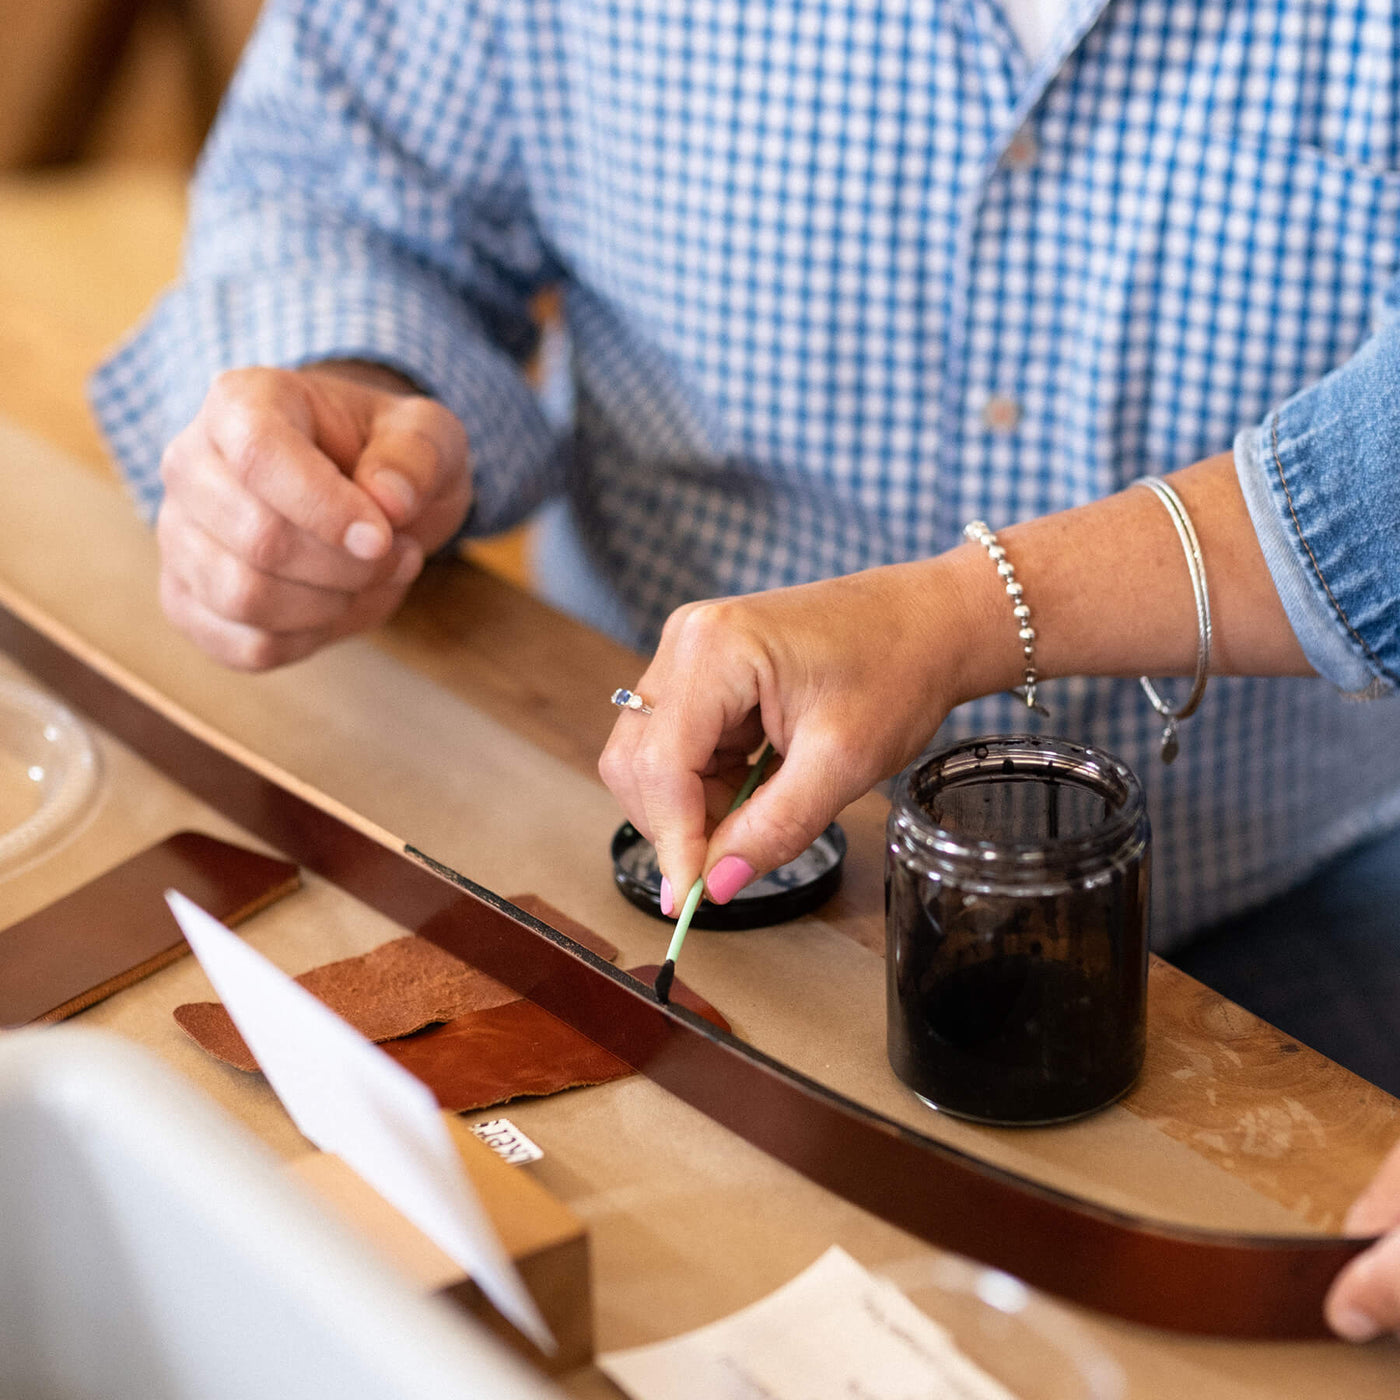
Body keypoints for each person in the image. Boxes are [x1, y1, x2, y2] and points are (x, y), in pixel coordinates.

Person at [91, 0, 1400, 1340]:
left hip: (1292, 874)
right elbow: (334, 176)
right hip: (631, 794)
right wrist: (344, 404)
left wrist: (955, 614)